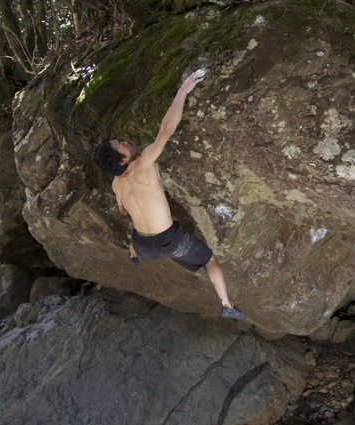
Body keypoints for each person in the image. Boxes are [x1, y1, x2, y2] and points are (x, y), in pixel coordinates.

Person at [91, 69, 245, 320]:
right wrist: (183, 90)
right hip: (170, 241)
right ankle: (227, 305)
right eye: (121, 143)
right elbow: (166, 131)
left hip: (144, 246)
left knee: (135, 236)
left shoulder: (116, 185)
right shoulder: (142, 164)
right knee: (210, 262)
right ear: (123, 159)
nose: (125, 141)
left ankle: (133, 255)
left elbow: (122, 210)